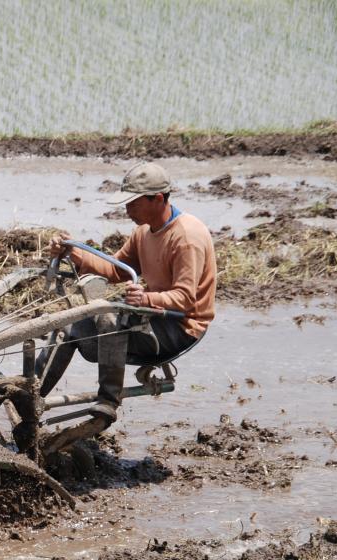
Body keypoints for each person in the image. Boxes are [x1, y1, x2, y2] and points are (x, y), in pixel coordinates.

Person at [39, 161, 216, 422]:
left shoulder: (186, 237)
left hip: (179, 326)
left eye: (133, 203)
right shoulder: (143, 232)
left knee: (108, 315)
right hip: (153, 315)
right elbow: (115, 270)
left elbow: (186, 299)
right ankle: (31, 394)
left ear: (158, 199)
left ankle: (107, 401)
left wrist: (146, 298)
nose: (127, 209)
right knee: (69, 325)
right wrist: (73, 252)